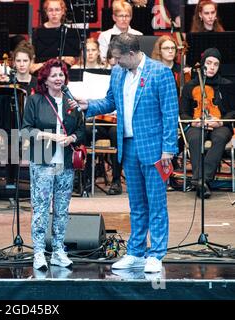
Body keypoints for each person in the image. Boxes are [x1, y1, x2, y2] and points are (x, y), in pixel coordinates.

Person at [79, 33, 178, 273]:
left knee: (156, 203)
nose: (114, 62)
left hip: (156, 149)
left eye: (117, 58)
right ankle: (136, 252)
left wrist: (168, 148)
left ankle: (156, 253)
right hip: (129, 145)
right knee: (136, 204)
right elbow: (110, 102)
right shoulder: (118, 73)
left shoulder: (160, 73)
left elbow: (170, 113)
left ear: (131, 54)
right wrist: (88, 106)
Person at [22, 58, 86, 270]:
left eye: (61, 75)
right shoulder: (35, 101)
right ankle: (39, 251)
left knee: (61, 209)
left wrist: (73, 139)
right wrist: (50, 137)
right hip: (43, 161)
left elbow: (81, 129)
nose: (59, 79)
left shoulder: (70, 101)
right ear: (45, 80)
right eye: (54, 76)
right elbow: (25, 130)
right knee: (40, 208)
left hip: (66, 162)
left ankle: (58, 249)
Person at [179, 48, 232, 199]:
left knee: (220, 138)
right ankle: (202, 181)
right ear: (202, 64)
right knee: (195, 138)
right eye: (208, 63)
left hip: (220, 124)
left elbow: (233, 110)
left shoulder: (226, 84)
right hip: (196, 123)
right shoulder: (190, 86)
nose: (212, 67)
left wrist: (220, 121)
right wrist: (193, 122)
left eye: (216, 64)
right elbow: (183, 112)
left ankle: (201, 179)